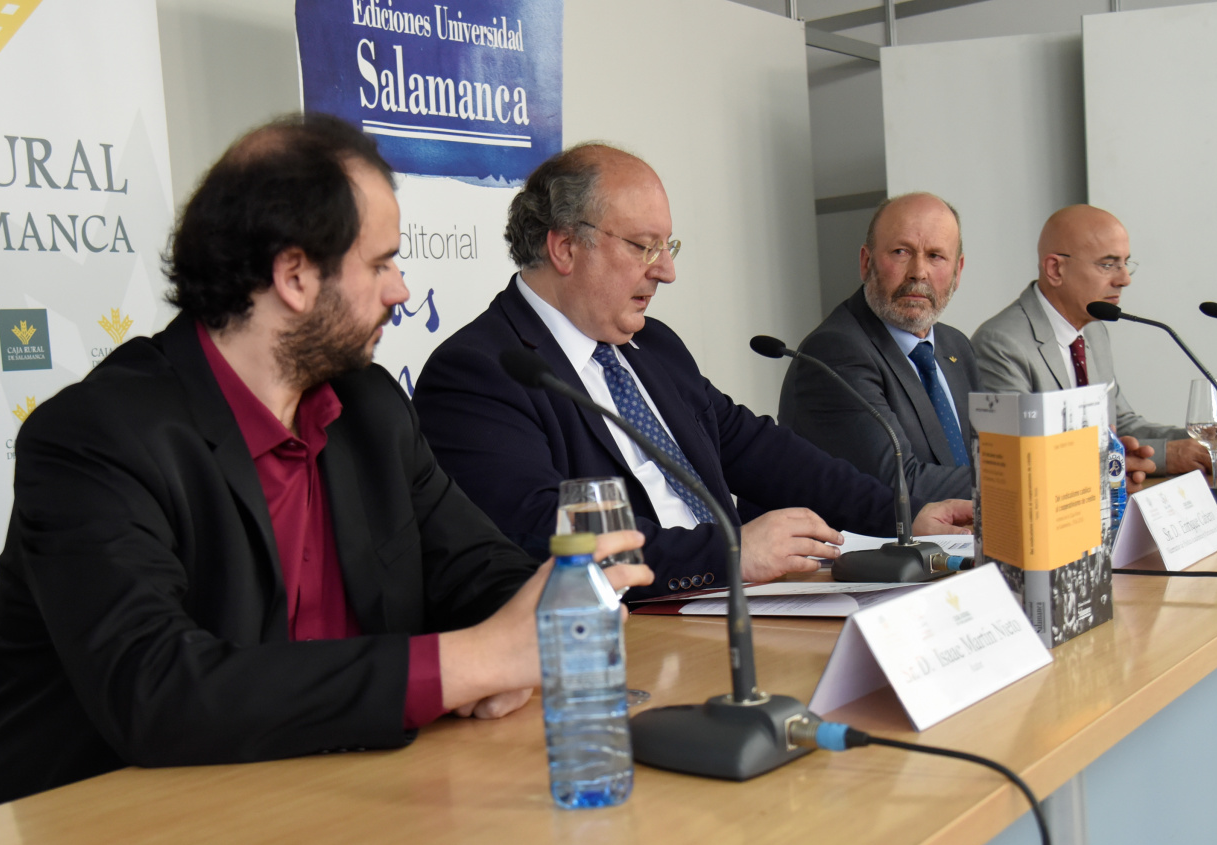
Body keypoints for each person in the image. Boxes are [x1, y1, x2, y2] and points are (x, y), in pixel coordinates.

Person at [0, 115, 650, 810]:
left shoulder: (369, 409)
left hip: (339, 800)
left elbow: (480, 567)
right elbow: (158, 690)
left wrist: (538, 621)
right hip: (124, 836)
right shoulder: (94, 438)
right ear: (294, 274)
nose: (401, 291)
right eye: (381, 264)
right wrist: (468, 664)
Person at [411, 144, 971, 599]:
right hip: (637, 627)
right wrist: (729, 554)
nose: (668, 271)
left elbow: (757, 448)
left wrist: (904, 514)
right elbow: (542, 536)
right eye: (643, 246)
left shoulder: (653, 346)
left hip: (735, 602)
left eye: (667, 246)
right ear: (564, 248)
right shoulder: (478, 373)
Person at [971, 204, 1208, 482]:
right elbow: (1028, 457)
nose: (1124, 279)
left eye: (1125, 263)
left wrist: (1200, 441)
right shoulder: (1001, 344)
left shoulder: (1093, 330)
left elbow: (1120, 425)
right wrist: (1166, 455)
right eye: (1108, 264)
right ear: (1055, 269)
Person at [778, 192, 979, 504]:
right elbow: (899, 484)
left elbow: (982, 458)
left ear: (958, 272)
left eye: (936, 256)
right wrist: (1025, 478)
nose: (918, 272)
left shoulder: (956, 347)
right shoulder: (835, 351)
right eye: (901, 252)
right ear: (866, 262)